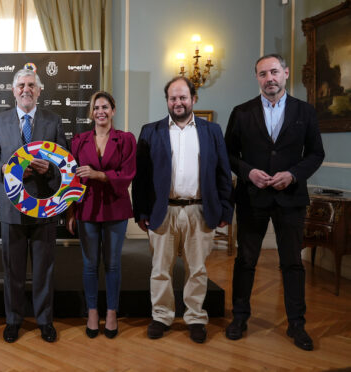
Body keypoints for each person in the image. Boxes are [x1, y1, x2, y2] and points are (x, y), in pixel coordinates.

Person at [224, 54, 324, 351]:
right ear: (257, 77)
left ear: (285, 73)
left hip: (290, 199)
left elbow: (316, 153)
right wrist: (247, 172)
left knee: (292, 263)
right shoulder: (241, 112)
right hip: (252, 198)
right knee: (245, 261)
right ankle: (239, 317)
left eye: (274, 72)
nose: (269, 78)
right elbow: (228, 154)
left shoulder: (305, 111)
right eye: (263, 73)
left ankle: (297, 324)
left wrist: (293, 175)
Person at [132, 77, 233, 344]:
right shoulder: (150, 131)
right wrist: (141, 212)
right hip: (162, 211)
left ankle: (195, 317)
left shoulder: (212, 131)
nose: (178, 102)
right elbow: (141, 178)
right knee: (160, 269)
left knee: (197, 269)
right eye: (173, 98)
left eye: (183, 97)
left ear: (193, 99)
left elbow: (223, 173)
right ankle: (162, 316)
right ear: (167, 101)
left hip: (200, 211)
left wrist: (225, 209)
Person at [0, 68, 67, 343]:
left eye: (31, 85)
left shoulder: (53, 121)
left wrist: (49, 170)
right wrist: (6, 169)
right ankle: (13, 320)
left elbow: (64, 165)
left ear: (39, 90)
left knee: (44, 270)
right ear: (13, 90)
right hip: (11, 208)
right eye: (21, 85)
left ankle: (44, 321)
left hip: (44, 209)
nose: (26, 89)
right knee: (13, 271)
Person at [66, 91, 136, 339]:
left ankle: (112, 313)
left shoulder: (126, 139)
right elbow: (72, 180)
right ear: (91, 112)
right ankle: (93, 312)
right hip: (86, 208)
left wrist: (99, 175)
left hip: (116, 207)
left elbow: (128, 173)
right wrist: (71, 212)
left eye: (105, 107)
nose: (100, 112)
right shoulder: (78, 141)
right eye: (96, 108)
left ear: (113, 110)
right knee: (89, 265)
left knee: (113, 264)